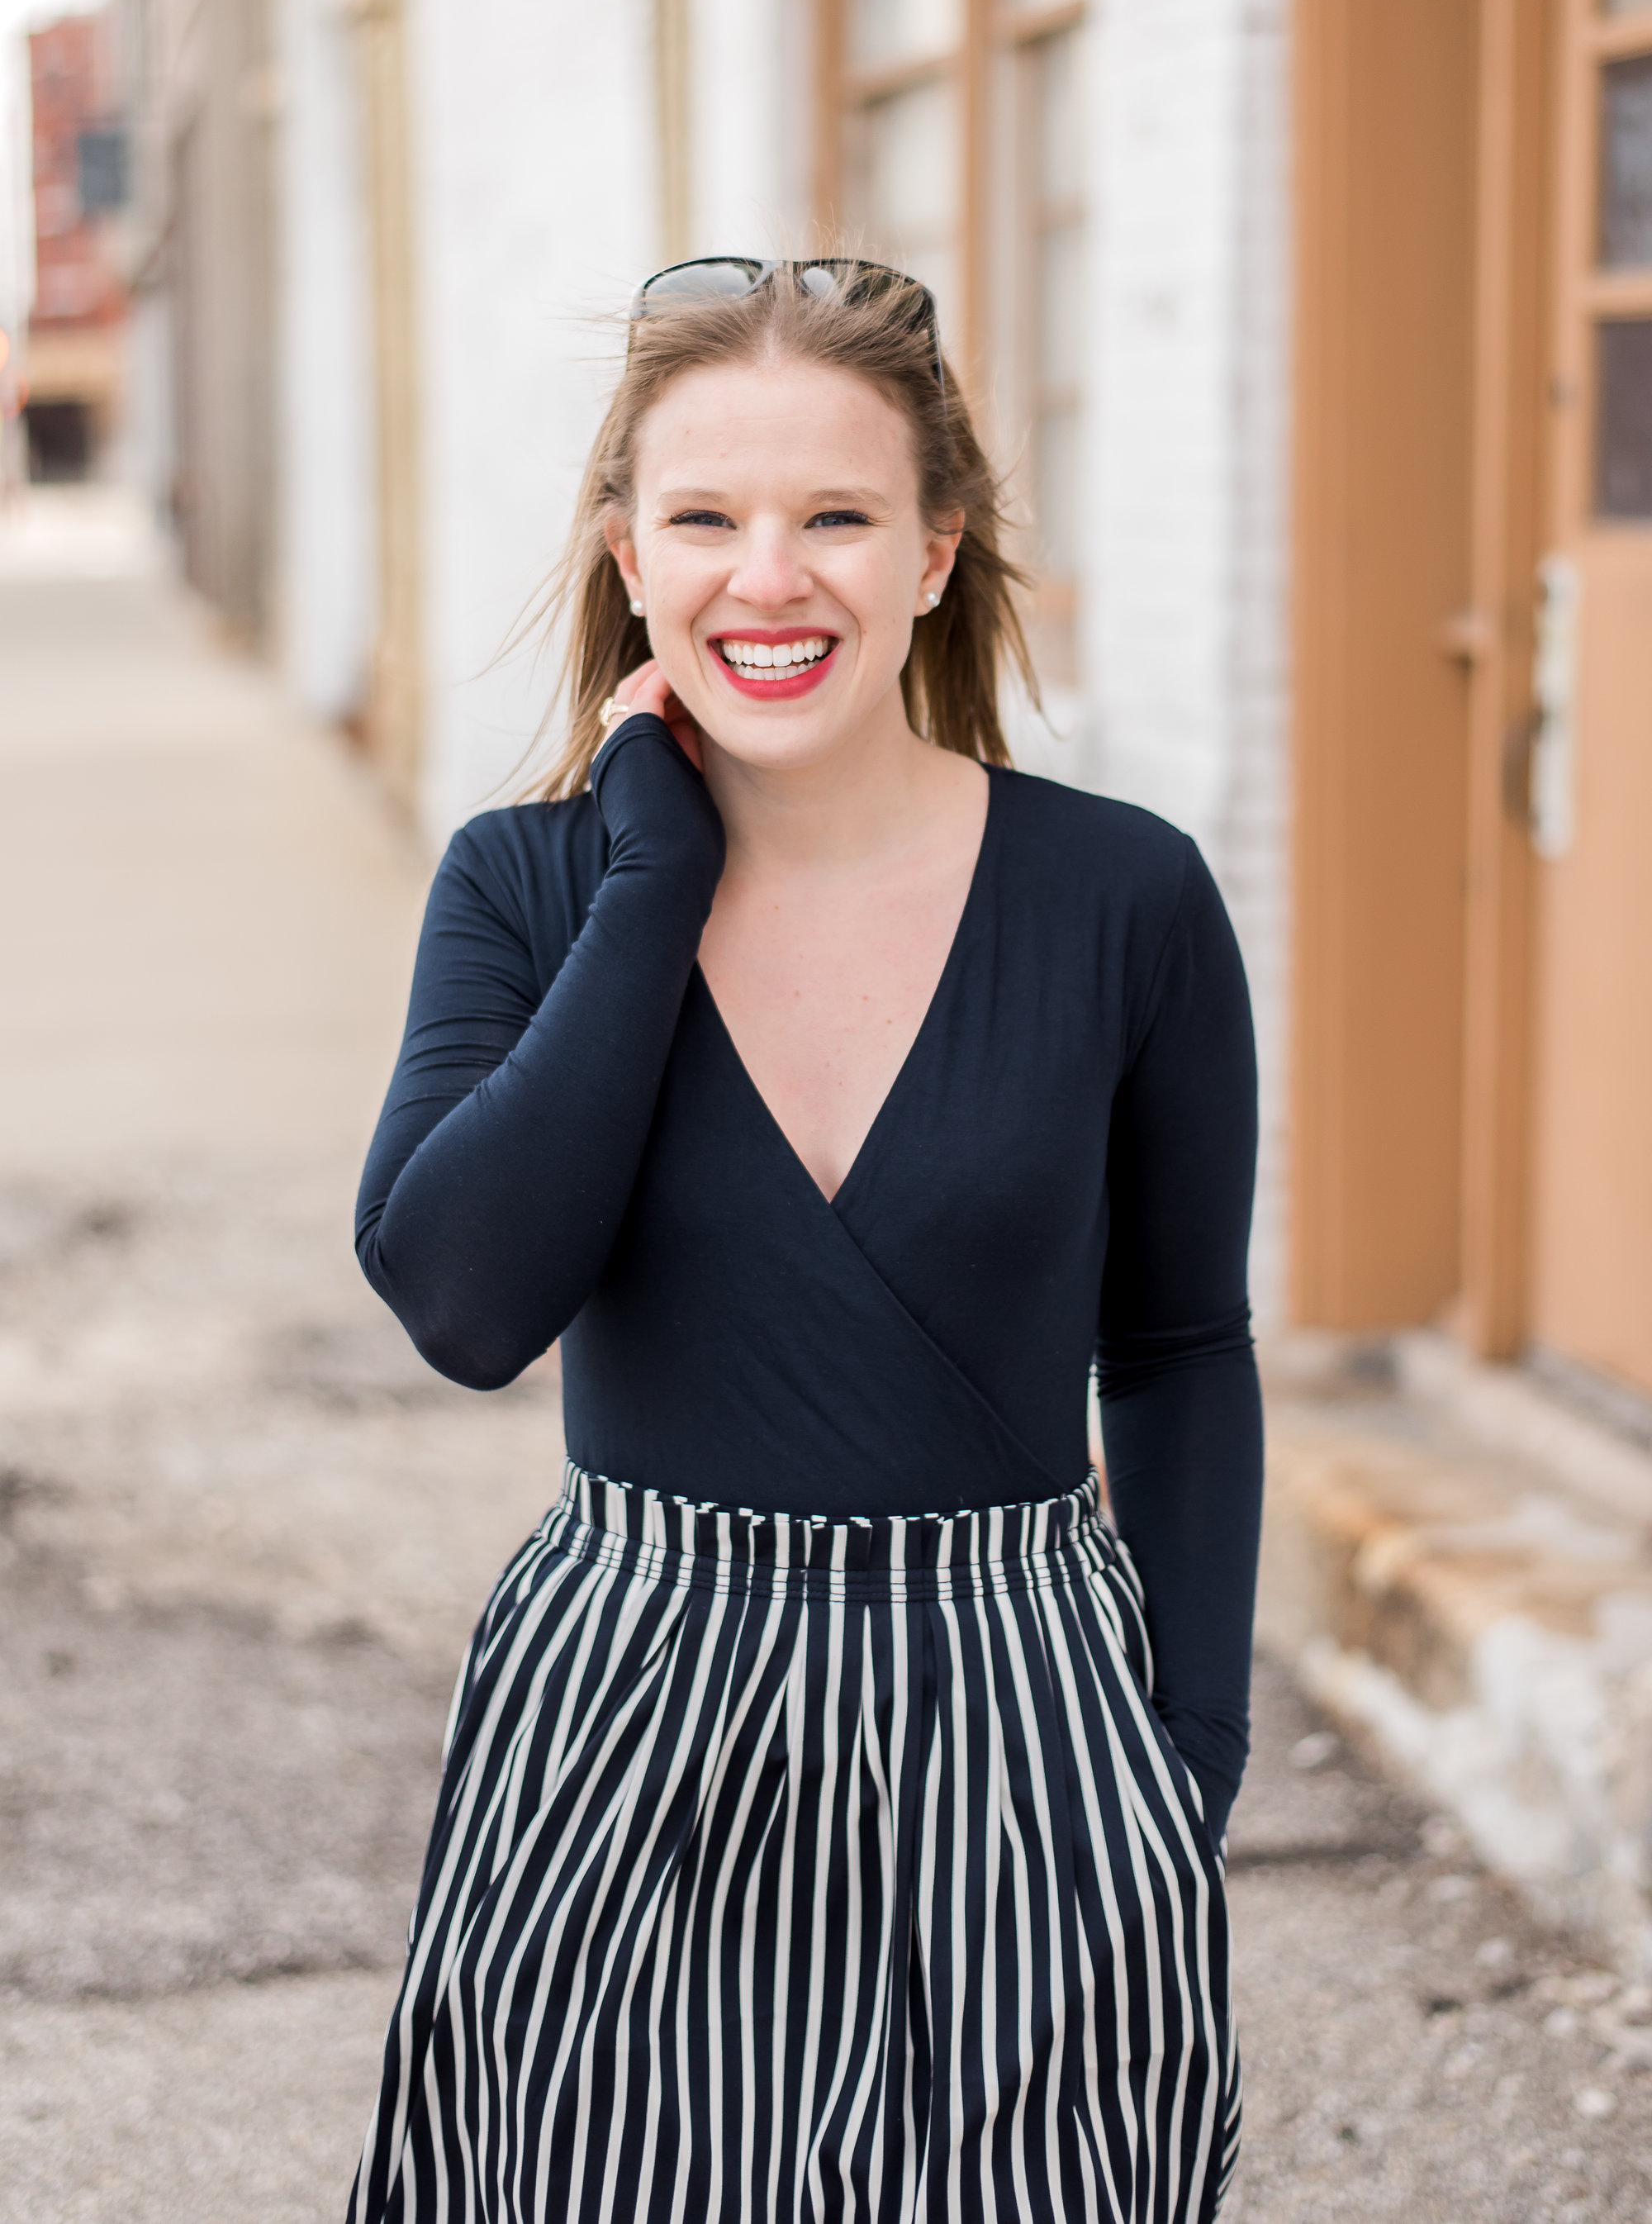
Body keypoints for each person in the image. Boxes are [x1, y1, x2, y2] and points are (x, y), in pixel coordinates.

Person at [345, 258, 1262, 2224]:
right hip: (632, 1716)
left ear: (935, 551)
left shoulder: (1125, 897)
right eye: (707, 518)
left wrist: (1184, 1751)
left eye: (835, 515)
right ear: (627, 558)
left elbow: (1181, 1343)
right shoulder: (531, 883)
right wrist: (651, 879)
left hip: (1018, 1717)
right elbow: (462, 1301)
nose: (772, 576)